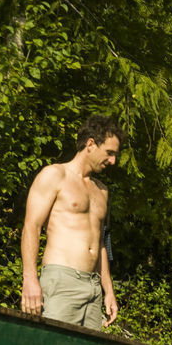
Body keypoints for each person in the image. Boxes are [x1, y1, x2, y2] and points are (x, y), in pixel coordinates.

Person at [20, 115, 123, 330]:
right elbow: (31, 227)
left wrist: (108, 290)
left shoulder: (102, 190)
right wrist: (30, 279)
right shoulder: (54, 175)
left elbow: (101, 242)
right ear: (91, 144)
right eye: (110, 153)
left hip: (93, 288)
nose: (113, 161)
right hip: (62, 281)